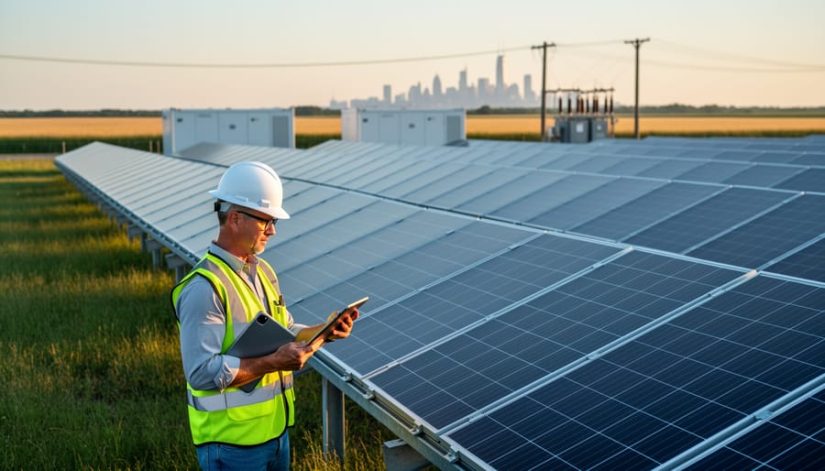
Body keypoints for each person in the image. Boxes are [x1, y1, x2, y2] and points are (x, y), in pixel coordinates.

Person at [171, 161, 358, 471]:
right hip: (231, 445)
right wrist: (274, 363)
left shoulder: (264, 272)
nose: (272, 230)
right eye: (266, 221)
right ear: (234, 218)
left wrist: (324, 329)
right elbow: (201, 373)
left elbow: (283, 329)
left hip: (275, 433)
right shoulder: (204, 288)